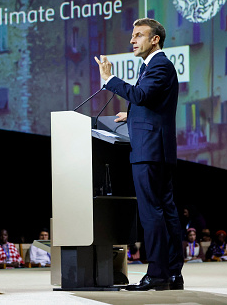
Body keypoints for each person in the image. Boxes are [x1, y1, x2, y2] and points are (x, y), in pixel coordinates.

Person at [94, 18, 183, 291]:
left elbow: (142, 95)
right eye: (132, 35)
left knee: (152, 213)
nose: (132, 40)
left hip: (150, 150)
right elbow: (152, 102)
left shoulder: (159, 64)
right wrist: (131, 113)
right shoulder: (154, 66)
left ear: (155, 38)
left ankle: (157, 274)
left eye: (138, 35)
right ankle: (171, 274)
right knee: (165, 211)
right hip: (156, 148)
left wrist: (109, 79)